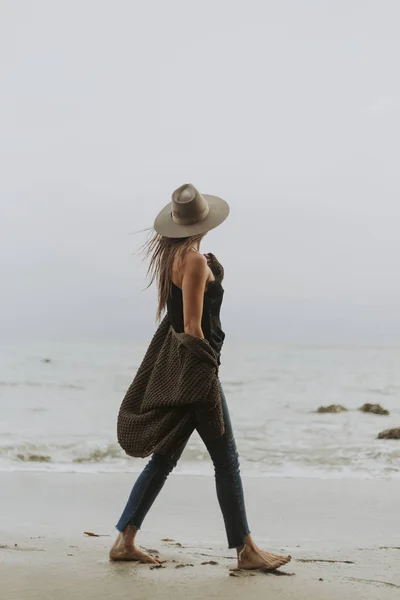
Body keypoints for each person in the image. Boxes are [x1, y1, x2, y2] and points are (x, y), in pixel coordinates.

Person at [110, 184, 291, 571]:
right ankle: (247, 551)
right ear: (204, 223)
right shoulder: (191, 260)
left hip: (184, 371)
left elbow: (182, 314)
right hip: (197, 374)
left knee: (164, 459)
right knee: (227, 462)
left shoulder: (175, 258)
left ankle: (124, 540)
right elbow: (192, 326)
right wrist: (207, 374)